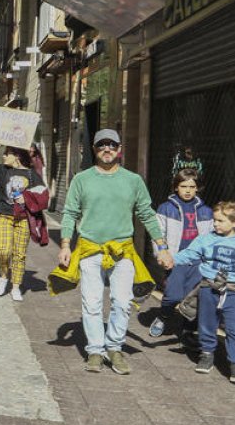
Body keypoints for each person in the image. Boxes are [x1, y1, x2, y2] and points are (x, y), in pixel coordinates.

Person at [54, 129, 174, 376]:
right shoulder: (81, 179)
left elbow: (147, 214)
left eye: (111, 145)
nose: (106, 149)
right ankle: (95, 350)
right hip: (89, 250)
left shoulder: (133, 180)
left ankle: (115, 347)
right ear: (95, 150)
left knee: (122, 303)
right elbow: (69, 214)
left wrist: (161, 247)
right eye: (101, 145)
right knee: (92, 303)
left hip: (123, 251)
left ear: (119, 149)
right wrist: (66, 245)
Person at [173, 201, 235, 382]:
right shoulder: (205, 239)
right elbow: (190, 254)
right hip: (209, 288)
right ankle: (206, 354)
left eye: (220, 221)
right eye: (214, 220)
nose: (215, 224)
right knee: (206, 323)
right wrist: (170, 259)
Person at [149, 168, 214, 339]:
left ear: (197, 188)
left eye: (192, 187)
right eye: (183, 186)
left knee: (193, 296)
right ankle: (163, 316)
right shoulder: (165, 208)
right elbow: (158, 234)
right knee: (173, 294)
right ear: (176, 187)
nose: (187, 190)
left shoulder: (206, 211)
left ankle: (188, 329)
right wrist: (162, 255)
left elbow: (212, 236)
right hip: (175, 258)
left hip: (198, 261)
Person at [0, 146, 49, 301]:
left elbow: (43, 195)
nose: (4, 156)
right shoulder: (1, 170)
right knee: (4, 250)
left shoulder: (31, 174)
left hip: (23, 218)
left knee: (19, 254)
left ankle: (16, 286)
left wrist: (27, 198)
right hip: (4, 216)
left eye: (7, 154)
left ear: (17, 155)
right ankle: (4, 277)